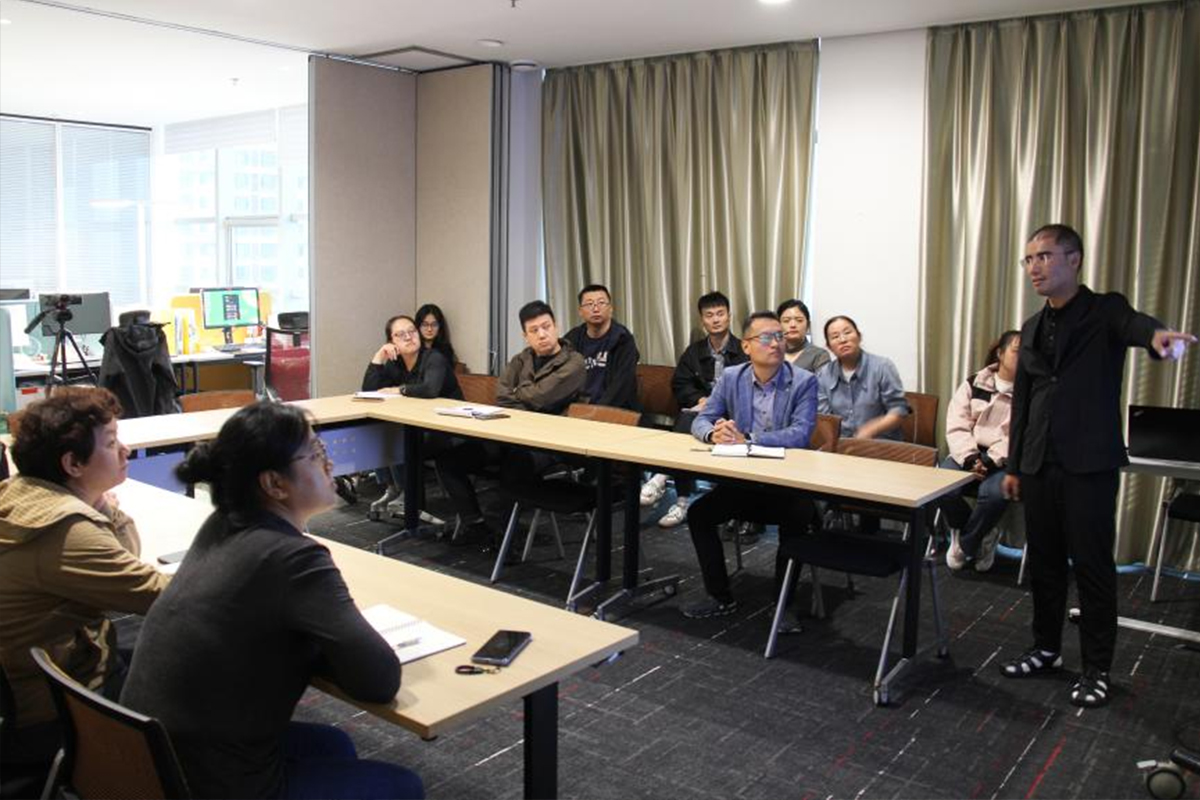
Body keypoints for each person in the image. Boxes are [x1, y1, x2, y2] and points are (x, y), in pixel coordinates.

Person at [120, 402, 423, 799]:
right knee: (404, 786)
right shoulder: (293, 557)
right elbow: (379, 681)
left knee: (333, 745)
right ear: (275, 484)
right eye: (315, 454)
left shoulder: (222, 523)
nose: (330, 464)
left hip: (147, 760)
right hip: (208, 785)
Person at [998, 223, 1195, 709]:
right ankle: (1045, 649)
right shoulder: (1031, 326)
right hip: (1038, 462)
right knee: (1043, 564)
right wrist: (1015, 465)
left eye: (1045, 256)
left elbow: (1136, 326)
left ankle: (1097, 669)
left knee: (1092, 568)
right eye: (1029, 259)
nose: (1035, 267)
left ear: (1074, 259)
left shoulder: (1104, 310)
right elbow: (1024, 401)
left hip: (1088, 465)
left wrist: (1158, 336)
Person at [0, 387, 168, 769]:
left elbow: (121, 561)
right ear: (73, 463)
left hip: (28, 689)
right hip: (55, 712)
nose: (125, 451)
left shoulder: (19, 493)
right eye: (111, 443)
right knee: (193, 669)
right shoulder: (66, 531)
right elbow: (159, 596)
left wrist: (99, 500)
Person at [680, 311, 818, 629]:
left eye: (779, 336)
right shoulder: (732, 377)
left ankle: (783, 605)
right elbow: (702, 418)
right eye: (766, 337)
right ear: (746, 346)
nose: (776, 343)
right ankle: (720, 596)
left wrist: (749, 439)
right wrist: (713, 434)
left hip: (787, 484)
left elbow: (800, 434)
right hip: (743, 481)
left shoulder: (803, 381)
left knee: (798, 519)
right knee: (699, 514)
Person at [435, 300, 585, 542]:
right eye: (534, 330)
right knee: (449, 460)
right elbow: (502, 395)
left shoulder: (574, 362)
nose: (542, 334)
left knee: (515, 465)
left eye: (546, 326)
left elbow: (542, 398)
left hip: (549, 443)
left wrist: (520, 392)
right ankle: (476, 525)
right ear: (525, 336)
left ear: (556, 326)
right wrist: (526, 398)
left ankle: (504, 541)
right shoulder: (520, 359)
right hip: (509, 434)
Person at [642, 291, 749, 528]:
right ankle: (681, 501)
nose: (716, 319)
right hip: (701, 412)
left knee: (687, 420)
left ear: (729, 316)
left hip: (732, 416)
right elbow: (680, 383)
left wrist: (716, 404)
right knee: (687, 417)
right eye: (709, 315)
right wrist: (700, 399)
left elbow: (748, 387)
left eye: (720, 313)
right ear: (702, 321)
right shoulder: (694, 351)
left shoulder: (743, 350)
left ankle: (664, 480)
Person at [362, 314, 463, 520]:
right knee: (377, 434)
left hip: (448, 427)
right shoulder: (395, 362)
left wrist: (400, 389)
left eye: (412, 331)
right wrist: (379, 356)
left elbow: (430, 389)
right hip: (418, 425)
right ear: (391, 341)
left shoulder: (433, 358)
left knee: (400, 439)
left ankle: (411, 498)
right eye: (400, 335)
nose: (408, 337)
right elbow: (370, 391)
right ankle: (394, 489)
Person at [937, 330, 1020, 572]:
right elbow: (957, 425)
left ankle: (965, 545)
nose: (1023, 357)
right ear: (1000, 353)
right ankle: (980, 534)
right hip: (967, 452)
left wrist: (990, 461)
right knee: (941, 486)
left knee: (994, 494)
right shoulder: (974, 383)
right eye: (1017, 351)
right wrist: (971, 459)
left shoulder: (1030, 391)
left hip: (1004, 459)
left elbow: (1019, 435)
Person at [816, 315, 908, 440]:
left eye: (847, 332)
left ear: (859, 336)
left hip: (881, 443)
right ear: (829, 346)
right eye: (835, 337)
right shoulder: (823, 375)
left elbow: (899, 410)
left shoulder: (882, 367)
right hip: (843, 445)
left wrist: (872, 429)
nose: (843, 339)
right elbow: (825, 419)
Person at [563, 284, 640, 410]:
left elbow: (622, 386)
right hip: (579, 408)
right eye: (589, 304)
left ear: (611, 309)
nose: (596, 308)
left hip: (614, 409)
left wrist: (596, 412)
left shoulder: (623, 340)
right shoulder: (572, 339)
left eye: (601, 303)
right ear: (580, 311)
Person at [776, 299, 831, 373]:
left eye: (799, 320)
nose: (793, 325)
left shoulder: (819, 355)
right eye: (786, 321)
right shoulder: (771, 353)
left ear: (808, 325)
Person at [415, 303, 457, 368]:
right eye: (425, 325)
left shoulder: (446, 350)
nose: (429, 329)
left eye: (434, 325)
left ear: (440, 326)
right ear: (418, 326)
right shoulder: (413, 348)